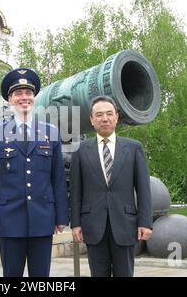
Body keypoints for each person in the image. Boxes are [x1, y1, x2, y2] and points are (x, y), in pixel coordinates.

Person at [0, 68, 69, 277]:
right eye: (18, 93)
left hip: (42, 217)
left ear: (34, 98)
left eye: (28, 93)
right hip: (9, 219)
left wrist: (61, 217)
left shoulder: (51, 133)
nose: (24, 98)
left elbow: (57, 179)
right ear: (10, 99)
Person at [70, 95, 152, 277]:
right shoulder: (81, 150)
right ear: (92, 119)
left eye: (109, 114)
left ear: (116, 117)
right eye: (99, 115)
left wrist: (145, 222)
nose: (104, 118)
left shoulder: (133, 148)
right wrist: (75, 223)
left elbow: (144, 189)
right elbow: (76, 191)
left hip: (125, 224)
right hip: (93, 225)